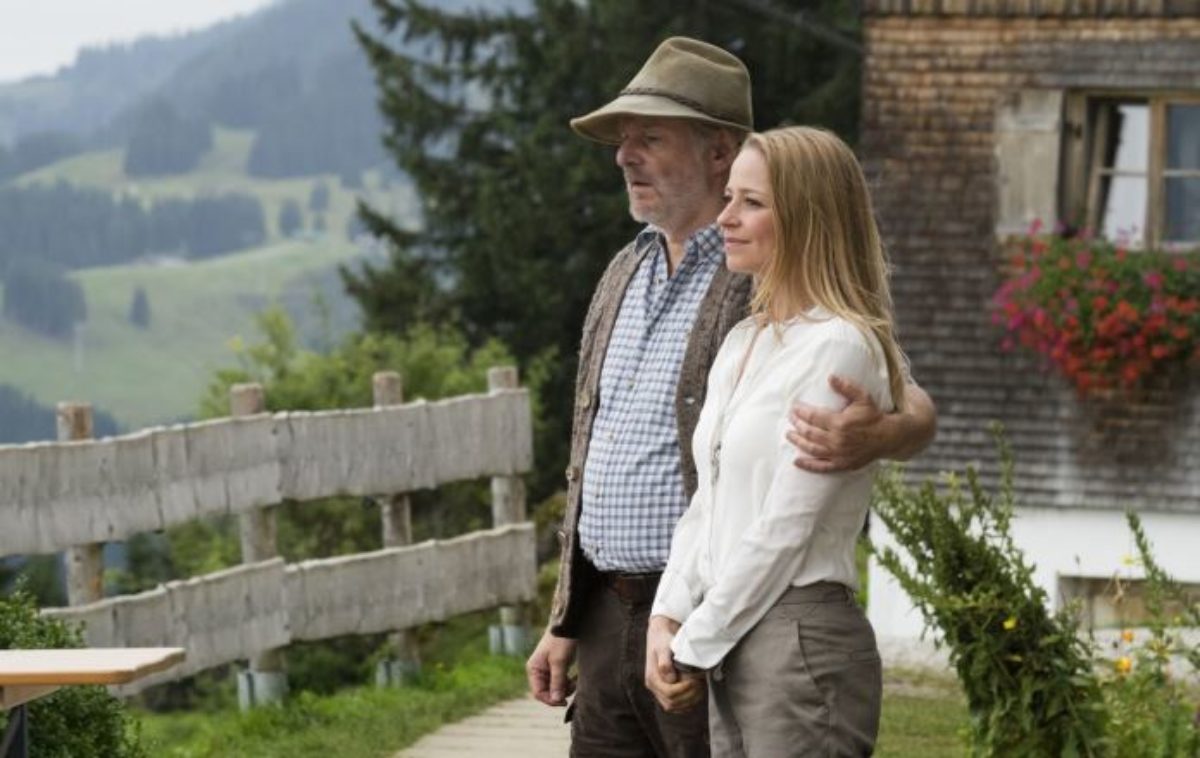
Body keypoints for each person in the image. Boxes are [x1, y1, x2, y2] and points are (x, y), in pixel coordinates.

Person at [525, 37, 936, 757]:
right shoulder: (625, 272)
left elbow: (897, 391)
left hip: (719, 610)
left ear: (718, 152)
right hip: (617, 616)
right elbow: (593, 453)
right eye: (623, 141)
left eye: (649, 138)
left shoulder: (771, 281)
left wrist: (881, 434)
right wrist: (565, 616)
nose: (626, 156)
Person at [645, 126, 902, 756]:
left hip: (798, 637)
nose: (726, 218)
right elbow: (709, 502)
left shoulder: (840, 345)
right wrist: (668, 615)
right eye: (729, 198)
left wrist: (696, 639)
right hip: (735, 633)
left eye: (751, 203)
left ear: (809, 218)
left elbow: (786, 527)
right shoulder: (743, 344)